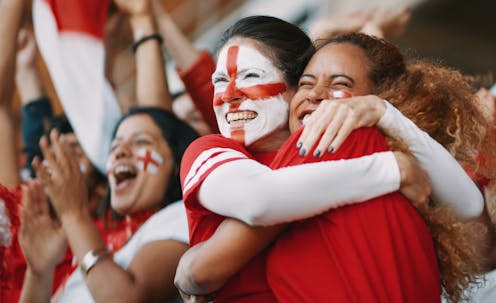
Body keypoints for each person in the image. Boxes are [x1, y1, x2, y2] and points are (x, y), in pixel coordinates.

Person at [175, 16, 484, 302]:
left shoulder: (359, 140)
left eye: (251, 75)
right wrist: (392, 168)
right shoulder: (211, 150)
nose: (228, 94)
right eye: (218, 80)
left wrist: (385, 113)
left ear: (290, 89)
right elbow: (260, 201)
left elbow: (469, 206)